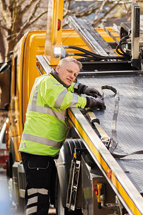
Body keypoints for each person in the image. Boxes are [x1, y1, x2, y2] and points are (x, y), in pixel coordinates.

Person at [19, 57, 105, 215]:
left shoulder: (54, 83)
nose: (72, 76)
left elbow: (66, 89)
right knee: (38, 200)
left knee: (43, 198)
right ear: (58, 68)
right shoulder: (47, 82)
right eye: (69, 71)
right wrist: (88, 101)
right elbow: (62, 99)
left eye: (75, 74)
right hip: (37, 152)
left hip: (43, 152)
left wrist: (81, 87)